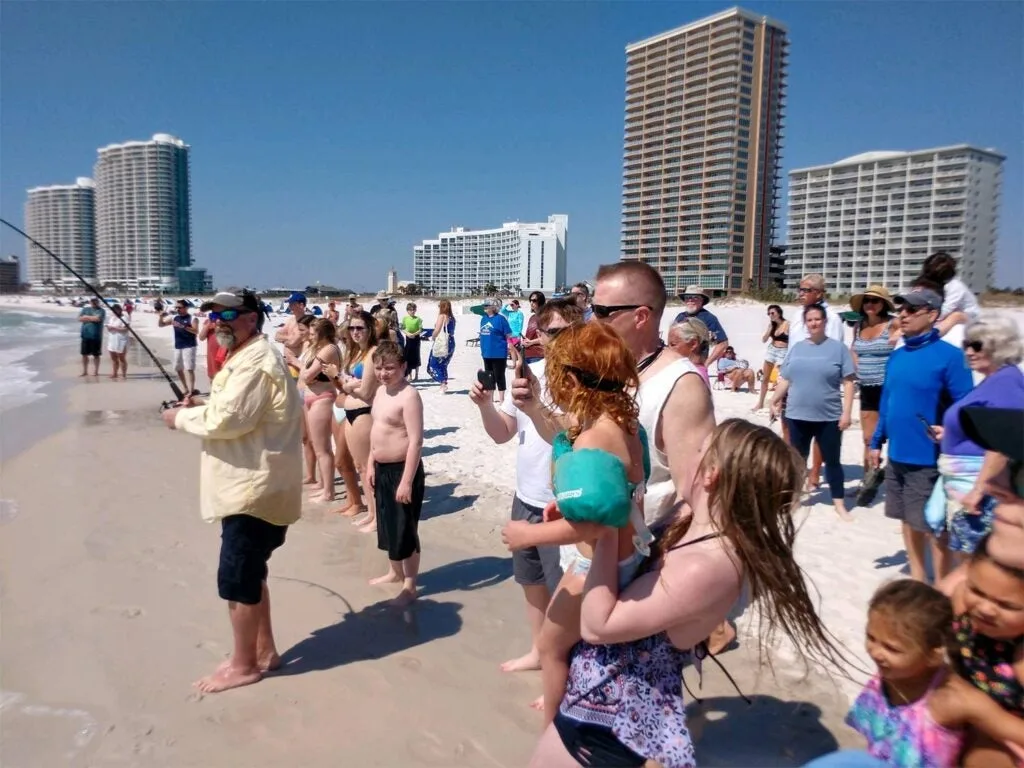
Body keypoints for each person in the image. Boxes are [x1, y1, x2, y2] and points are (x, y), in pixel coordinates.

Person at [528, 420, 853, 768]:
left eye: (699, 450)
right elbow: (631, 557)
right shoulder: (688, 517)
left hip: (617, 723)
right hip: (597, 696)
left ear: (710, 474)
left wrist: (605, 531)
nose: (689, 455)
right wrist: (583, 513)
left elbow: (598, 625)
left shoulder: (709, 565)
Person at [513, 262, 720, 647]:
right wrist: (534, 410)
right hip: (596, 549)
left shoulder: (681, 385)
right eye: (592, 309)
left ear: (641, 315)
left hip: (637, 569)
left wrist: (671, 580)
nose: (591, 320)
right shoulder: (608, 370)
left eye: (603, 312)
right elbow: (575, 439)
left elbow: (701, 496)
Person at [502, 321, 650, 725]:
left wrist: (526, 533)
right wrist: (565, 506)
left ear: (569, 379)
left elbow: (595, 528)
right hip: (629, 555)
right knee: (580, 644)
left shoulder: (593, 440)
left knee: (551, 645)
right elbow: (617, 496)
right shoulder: (625, 425)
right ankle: (576, 702)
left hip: (596, 565)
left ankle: (555, 731)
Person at [161, 290, 302, 693]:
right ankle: (264, 651)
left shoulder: (257, 361)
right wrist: (201, 402)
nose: (219, 320)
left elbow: (229, 420)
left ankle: (243, 666)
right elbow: (236, 408)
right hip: (254, 487)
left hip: (254, 490)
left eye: (229, 313)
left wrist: (180, 417)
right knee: (252, 572)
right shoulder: (246, 357)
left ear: (252, 318)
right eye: (214, 313)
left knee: (238, 578)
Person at [470, 298, 581, 674]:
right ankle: (539, 654)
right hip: (526, 497)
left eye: (568, 331)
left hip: (563, 504)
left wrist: (536, 407)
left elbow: (576, 437)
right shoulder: (530, 374)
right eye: (551, 332)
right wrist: (486, 406)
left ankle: (562, 667)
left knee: (564, 595)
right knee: (531, 583)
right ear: (540, 336)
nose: (559, 339)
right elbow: (502, 433)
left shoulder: (587, 382)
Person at [840, 579, 1024, 767]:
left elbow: (1014, 730)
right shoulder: (893, 673)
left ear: (933, 655)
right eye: (871, 637)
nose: (875, 652)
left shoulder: (953, 698)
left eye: (892, 648)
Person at [869, 287, 974, 583]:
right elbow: (887, 403)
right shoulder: (898, 355)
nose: (903, 315)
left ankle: (941, 587)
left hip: (928, 457)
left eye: (912, 310)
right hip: (897, 454)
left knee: (933, 525)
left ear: (932, 314)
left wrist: (951, 429)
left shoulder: (951, 357)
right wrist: (877, 441)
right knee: (906, 519)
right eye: (901, 309)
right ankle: (918, 578)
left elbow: (966, 405)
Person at [933, 315, 1024, 558]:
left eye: (977, 345)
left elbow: (1003, 442)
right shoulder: (993, 380)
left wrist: (979, 489)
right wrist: (951, 433)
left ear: (1000, 346)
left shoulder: (1006, 382)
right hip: (966, 479)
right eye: (967, 345)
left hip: (980, 485)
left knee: (975, 559)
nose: (969, 351)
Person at [941, 535, 1024, 767]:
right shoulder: (961, 600)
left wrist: (984, 715)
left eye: (1006, 605)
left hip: (1005, 737)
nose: (985, 609)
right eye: (976, 591)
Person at [771, 304, 857, 521]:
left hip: (829, 415)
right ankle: (795, 499)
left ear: (825, 321)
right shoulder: (797, 348)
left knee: (833, 461)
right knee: (797, 461)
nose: (814, 323)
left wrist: (846, 413)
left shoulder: (838, 349)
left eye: (817, 319)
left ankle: (839, 503)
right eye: (810, 320)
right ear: (805, 323)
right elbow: (787, 379)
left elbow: (848, 382)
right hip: (797, 414)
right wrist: (773, 400)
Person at [366, 342, 425, 607]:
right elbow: (376, 431)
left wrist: (406, 481)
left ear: (403, 367)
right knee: (387, 525)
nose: (383, 373)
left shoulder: (409, 395)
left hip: (403, 469)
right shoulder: (380, 392)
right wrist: (369, 464)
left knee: (405, 530)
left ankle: (410, 585)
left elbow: (416, 442)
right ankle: (394, 572)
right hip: (381, 467)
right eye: (379, 368)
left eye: (389, 368)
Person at [328, 310, 380, 533]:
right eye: (352, 328)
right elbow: (350, 385)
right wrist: (350, 383)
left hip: (364, 413)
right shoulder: (354, 353)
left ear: (370, 330)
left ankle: (378, 515)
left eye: (360, 328)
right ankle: (370, 512)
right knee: (360, 466)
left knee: (369, 467)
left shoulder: (373, 352)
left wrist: (346, 382)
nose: (355, 332)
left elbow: (367, 391)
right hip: (350, 412)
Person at [848, 286, 901, 501]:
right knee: (868, 438)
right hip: (867, 388)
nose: (870, 304)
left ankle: (898, 482)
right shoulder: (858, 325)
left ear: (883, 304)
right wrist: (857, 365)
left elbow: (908, 337)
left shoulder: (893, 323)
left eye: (875, 301)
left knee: (895, 435)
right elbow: (853, 349)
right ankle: (867, 481)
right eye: (867, 300)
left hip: (889, 388)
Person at [300, 319, 343, 504]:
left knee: (323, 448)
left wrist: (298, 365)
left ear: (323, 334)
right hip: (311, 397)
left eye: (313, 333)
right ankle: (324, 485)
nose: (309, 336)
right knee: (315, 444)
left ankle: (329, 491)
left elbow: (307, 375)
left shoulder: (329, 349)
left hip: (322, 398)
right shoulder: (317, 349)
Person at [328, 320, 365, 518]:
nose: (345, 340)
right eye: (342, 337)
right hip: (339, 405)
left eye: (345, 337)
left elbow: (357, 387)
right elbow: (342, 386)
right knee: (343, 462)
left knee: (342, 460)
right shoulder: (350, 355)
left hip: (352, 408)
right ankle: (353, 500)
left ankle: (358, 502)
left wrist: (337, 376)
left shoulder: (364, 355)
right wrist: (334, 376)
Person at [920, 251, 981, 339]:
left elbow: (947, 308)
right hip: (950, 313)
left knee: (955, 316)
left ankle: (933, 336)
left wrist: (927, 319)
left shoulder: (955, 286)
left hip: (970, 317)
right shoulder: (940, 285)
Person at [673, 286, 729, 367]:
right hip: (678, 363)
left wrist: (706, 363)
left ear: (702, 300)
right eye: (687, 297)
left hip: (696, 365)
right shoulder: (680, 317)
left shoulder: (709, 318)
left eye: (695, 297)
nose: (690, 300)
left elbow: (723, 343)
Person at [160, 300, 200, 396]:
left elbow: (196, 331)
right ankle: (185, 388)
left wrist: (183, 326)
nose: (177, 309)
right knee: (178, 368)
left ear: (186, 308)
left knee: (189, 368)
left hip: (189, 346)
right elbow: (161, 325)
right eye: (176, 307)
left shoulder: (193, 318)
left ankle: (191, 390)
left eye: (180, 307)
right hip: (178, 346)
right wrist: (160, 316)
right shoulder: (174, 318)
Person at [754, 304, 789, 412]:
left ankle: (778, 405)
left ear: (779, 313)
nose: (770, 315)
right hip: (771, 350)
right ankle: (760, 403)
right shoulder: (772, 325)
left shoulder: (787, 324)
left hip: (783, 352)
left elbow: (793, 340)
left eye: (772, 313)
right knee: (765, 378)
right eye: (768, 313)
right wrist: (769, 330)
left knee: (779, 380)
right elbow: (764, 340)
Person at [480, 298, 513, 403]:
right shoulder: (483, 319)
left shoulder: (501, 319)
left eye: (487, 305)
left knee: (499, 376)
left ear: (493, 307)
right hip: (486, 352)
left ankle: (502, 399)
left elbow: (508, 334)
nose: (484, 307)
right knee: (489, 377)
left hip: (499, 352)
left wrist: (510, 347)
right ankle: (491, 397)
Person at [666, 316, 712, 388]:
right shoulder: (690, 372)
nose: (668, 350)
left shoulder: (692, 378)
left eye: (673, 345)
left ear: (693, 344)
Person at [274, 292, 308, 379]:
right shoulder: (291, 320)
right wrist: (289, 338)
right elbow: (277, 335)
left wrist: (286, 340)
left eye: (292, 304)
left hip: (298, 362)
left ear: (301, 305)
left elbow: (293, 342)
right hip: (288, 361)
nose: (289, 307)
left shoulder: (307, 322)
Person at [427, 299, 456, 393]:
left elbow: (437, 330)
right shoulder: (452, 318)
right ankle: (443, 385)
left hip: (442, 342)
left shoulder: (442, 316)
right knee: (443, 364)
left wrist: (433, 337)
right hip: (451, 342)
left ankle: (443, 384)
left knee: (433, 364)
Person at [78, 296, 105, 377]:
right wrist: (91, 318)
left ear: (98, 301)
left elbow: (97, 319)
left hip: (96, 336)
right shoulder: (85, 309)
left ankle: (96, 371)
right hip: (85, 335)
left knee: (96, 355)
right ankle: (85, 371)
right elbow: (79, 319)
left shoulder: (101, 310)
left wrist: (86, 317)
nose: (93, 302)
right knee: (84, 354)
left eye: (95, 301)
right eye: (92, 301)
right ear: (90, 301)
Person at [198, 313, 226, 381]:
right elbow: (201, 337)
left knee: (223, 377)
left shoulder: (226, 321)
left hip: (223, 354)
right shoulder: (208, 322)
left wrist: (218, 326)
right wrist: (207, 326)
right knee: (212, 377)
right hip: (212, 356)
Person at [105, 303, 130, 379]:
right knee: (113, 358)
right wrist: (109, 327)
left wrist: (115, 328)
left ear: (120, 310)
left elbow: (126, 329)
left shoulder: (124, 318)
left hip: (121, 340)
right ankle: (114, 373)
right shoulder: (112, 318)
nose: (115, 312)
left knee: (122, 358)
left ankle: (124, 374)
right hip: (112, 339)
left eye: (116, 310)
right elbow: (109, 328)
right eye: (113, 310)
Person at [400, 302, 424, 380]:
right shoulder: (405, 318)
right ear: (407, 311)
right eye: (410, 310)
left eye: (413, 310)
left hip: (416, 339)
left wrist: (414, 334)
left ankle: (416, 375)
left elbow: (420, 329)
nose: (412, 311)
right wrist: (408, 334)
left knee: (416, 357)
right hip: (408, 339)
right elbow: (402, 328)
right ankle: (409, 375)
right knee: (408, 357)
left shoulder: (418, 319)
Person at [522, 291, 546, 365]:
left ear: (541, 302)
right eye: (530, 300)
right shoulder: (532, 317)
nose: (531, 303)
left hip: (538, 355)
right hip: (527, 354)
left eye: (534, 300)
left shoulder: (545, 317)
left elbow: (548, 337)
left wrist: (531, 342)